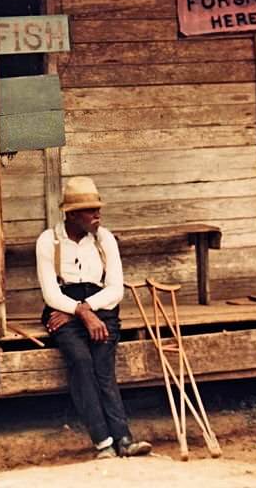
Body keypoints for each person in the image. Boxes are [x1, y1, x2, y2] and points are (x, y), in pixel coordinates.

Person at [36, 176, 152, 459]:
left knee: (103, 367)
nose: (98, 214)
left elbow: (115, 290)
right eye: (90, 210)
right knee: (81, 360)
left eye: (98, 208)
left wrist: (84, 309)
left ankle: (124, 438)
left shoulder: (105, 239)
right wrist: (81, 313)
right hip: (63, 310)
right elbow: (51, 293)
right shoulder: (48, 241)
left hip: (100, 311)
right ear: (72, 214)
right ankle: (103, 442)